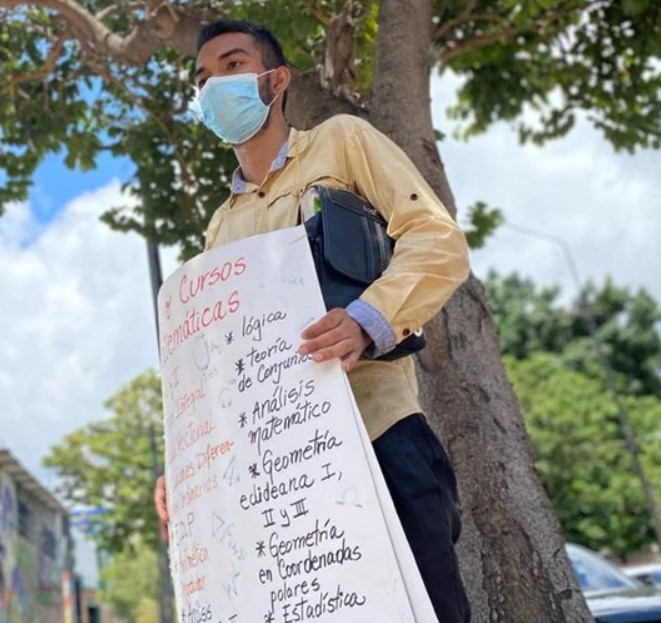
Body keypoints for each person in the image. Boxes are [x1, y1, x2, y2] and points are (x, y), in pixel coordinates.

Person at [153, 19, 472, 623]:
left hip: (382, 436)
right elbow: (217, 365)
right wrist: (187, 464)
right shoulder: (219, 230)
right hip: (285, 479)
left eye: (231, 66)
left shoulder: (341, 141)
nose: (213, 85)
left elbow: (437, 241)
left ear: (275, 81)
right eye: (201, 78)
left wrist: (367, 319)